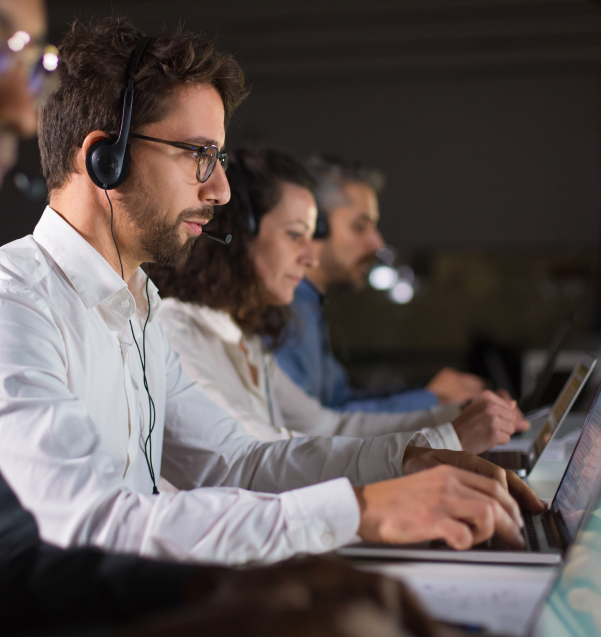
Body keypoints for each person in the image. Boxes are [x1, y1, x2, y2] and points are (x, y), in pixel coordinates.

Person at [0, 16, 543, 570]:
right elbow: (83, 524)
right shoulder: (14, 304)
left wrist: (405, 464)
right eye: (198, 155)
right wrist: (358, 512)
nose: (220, 189)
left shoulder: (139, 307)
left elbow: (239, 463)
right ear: (104, 160)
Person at [153, 146, 529, 454]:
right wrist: (445, 438)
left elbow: (330, 426)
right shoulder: (177, 331)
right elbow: (256, 458)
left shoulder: (244, 337)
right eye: (295, 235)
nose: (311, 257)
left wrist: (451, 416)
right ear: (240, 234)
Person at [275, 154, 513, 412]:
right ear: (316, 226)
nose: (377, 243)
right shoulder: (284, 309)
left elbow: (340, 401)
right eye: (360, 226)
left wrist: (430, 392)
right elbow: (312, 425)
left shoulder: (310, 306)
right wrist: (430, 399)